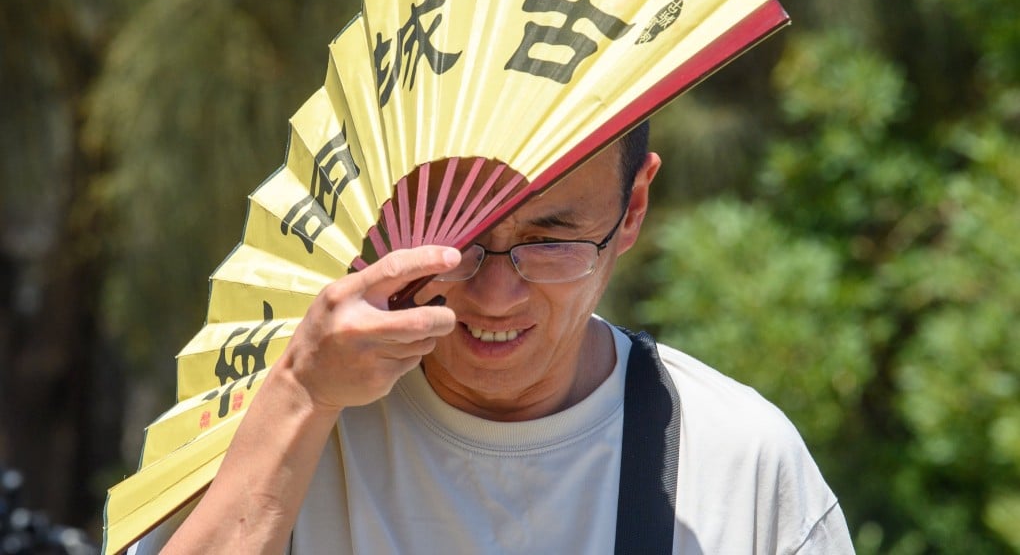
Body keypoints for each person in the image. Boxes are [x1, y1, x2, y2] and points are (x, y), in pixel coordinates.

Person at [130, 123, 855, 554]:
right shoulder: (282, 417)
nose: (495, 294)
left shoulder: (739, 460)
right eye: (461, 237)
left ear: (633, 207)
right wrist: (297, 394)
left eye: (552, 241)